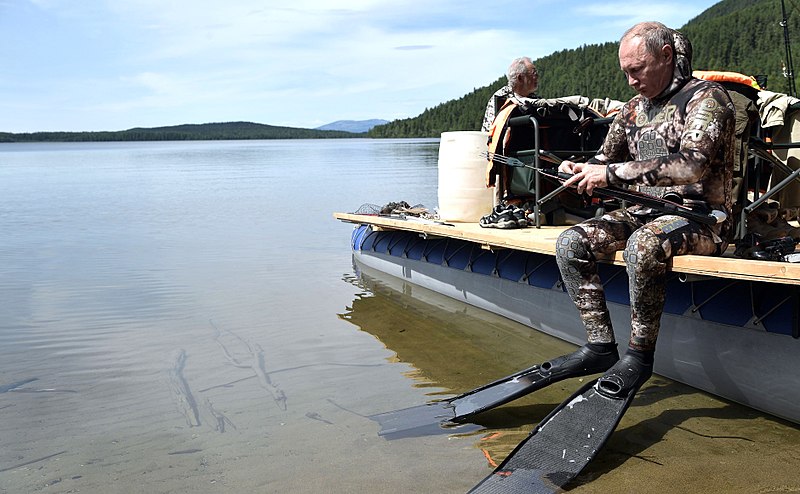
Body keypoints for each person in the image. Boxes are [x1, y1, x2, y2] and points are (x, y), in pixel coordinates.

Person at [553, 22, 736, 395]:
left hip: (701, 219)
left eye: (637, 70)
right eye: (626, 73)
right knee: (570, 242)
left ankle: (638, 357)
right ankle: (601, 347)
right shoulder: (633, 109)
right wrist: (576, 169)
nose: (631, 81)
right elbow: (605, 158)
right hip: (644, 212)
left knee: (643, 245)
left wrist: (610, 173)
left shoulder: (707, 98)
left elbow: (691, 165)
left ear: (666, 56)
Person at [481, 57, 539, 132]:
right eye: (533, 73)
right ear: (520, 78)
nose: (537, 76)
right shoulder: (500, 98)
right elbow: (490, 132)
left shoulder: (535, 98)